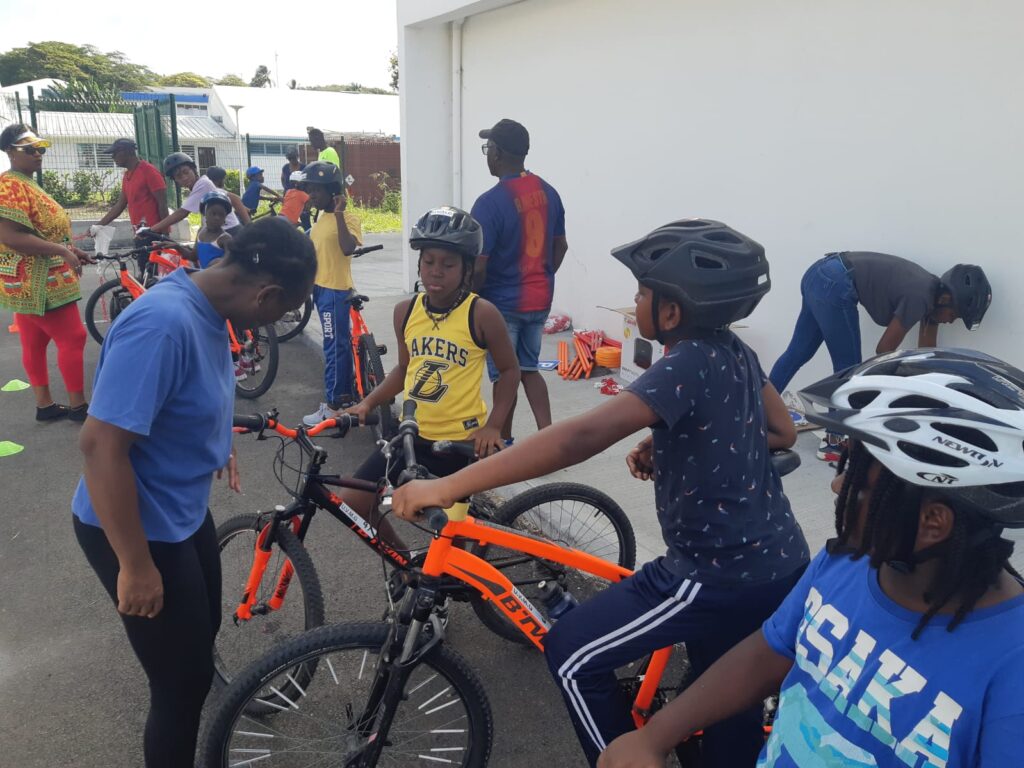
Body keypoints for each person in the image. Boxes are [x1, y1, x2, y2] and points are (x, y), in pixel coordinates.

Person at [393, 219, 811, 767]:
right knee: (725, 704)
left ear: (671, 313)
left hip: (714, 572)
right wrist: (673, 441)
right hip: (779, 560)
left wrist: (446, 484)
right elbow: (781, 430)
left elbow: (580, 437)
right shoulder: (734, 351)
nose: (633, 302)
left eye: (640, 293)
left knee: (571, 653)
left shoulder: (684, 363)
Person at [598, 347, 1024, 768]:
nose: (838, 486)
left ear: (933, 522)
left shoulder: (1011, 667)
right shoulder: (846, 563)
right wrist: (655, 736)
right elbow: (769, 650)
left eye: (856, 479)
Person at [72, 216, 317, 768]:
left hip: (179, 510)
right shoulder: (162, 325)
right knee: (179, 685)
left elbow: (184, 393)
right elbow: (100, 447)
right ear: (266, 294)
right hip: (135, 526)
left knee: (199, 641)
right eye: (283, 311)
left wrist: (214, 441)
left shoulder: (208, 309)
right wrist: (134, 566)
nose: (274, 324)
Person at [343, 206, 519, 547]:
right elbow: (403, 369)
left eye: (448, 264)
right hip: (410, 434)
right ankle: (407, 565)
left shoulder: (481, 313)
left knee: (447, 539)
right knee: (354, 501)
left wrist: (494, 426)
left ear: (466, 268)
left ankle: (450, 565)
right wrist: (367, 403)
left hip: (457, 444)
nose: (436, 271)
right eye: (428, 262)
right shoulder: (405, 311)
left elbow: (510, 371)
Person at [768, 251, 992, 462]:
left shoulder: (931, 296)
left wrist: (929, 389)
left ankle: (758, 413)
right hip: (835, 282)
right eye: (954, 315)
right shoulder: (920, 297)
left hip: (821, 273)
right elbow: (884, 349)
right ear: (946, 299)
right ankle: (834, 442)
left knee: (798, 353)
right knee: (849, 368)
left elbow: (926, 354)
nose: (951, 321)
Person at [471, 118, 568, 446]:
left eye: (488, 148)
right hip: (540, 300)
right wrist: (543, 276)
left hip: (503, 305)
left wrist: (469, 301)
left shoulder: (489, 203)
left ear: (497, 153)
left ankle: (504, 441)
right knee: (529, 369)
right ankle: (549, 441)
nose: (487, 155)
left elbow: (479, 266)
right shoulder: (548, 192)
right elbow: (560, 246)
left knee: (505, 375)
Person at [0, 123, 92, 422]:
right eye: (30, 149)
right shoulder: (10, 185)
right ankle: (78, 407)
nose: (38, 154)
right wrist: (61, 251)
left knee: (34, 341)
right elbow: (10, 236)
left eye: (40, 148)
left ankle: (45, 405)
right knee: (73, 337)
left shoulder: (25, 182)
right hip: (40, 279)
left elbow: (41, 230)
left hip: (32, 277)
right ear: (11, 152)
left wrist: (70, 248)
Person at [301, 161, 364, 426]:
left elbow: (348, 248)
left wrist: (339, 213)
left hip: (336, 291)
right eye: (310, 189)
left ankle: (334, 404)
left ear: (332, 190)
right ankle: (345, 395)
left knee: (334, 347)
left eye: (317, 189)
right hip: (321, 289)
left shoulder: (348, 218)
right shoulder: (320, 219)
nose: (311, 194)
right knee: (339, 345)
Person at [148, 153, 244, 237]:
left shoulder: (203, 184)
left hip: (229, 232)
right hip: (221, 231)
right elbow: (233, 197)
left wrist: (151, 229)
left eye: (186, 172)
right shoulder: (204, 183)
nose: (184, 177)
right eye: (179, 176)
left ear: (194, 170)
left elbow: (182, 213)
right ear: (175, 180)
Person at [93, 138, 168, 234]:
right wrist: (98, 226)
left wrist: (165, 234)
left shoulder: (148, 171)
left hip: (154, 232)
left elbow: (162, 203)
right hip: (140, 232)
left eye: (115, 153)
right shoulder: (127, 175)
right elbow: (120, 205)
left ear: (126, 152)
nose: (112, 157)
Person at [194, 191, 233, 268]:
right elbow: (193, 256)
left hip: (216, 275)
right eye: (213, 213)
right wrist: (177, 247)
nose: (217, 218)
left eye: (221, 215)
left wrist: (220, 262)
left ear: (225, 219)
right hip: (201, 273)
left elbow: (230, 262)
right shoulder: (200, 231)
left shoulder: (226, 238)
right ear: (205, 213)